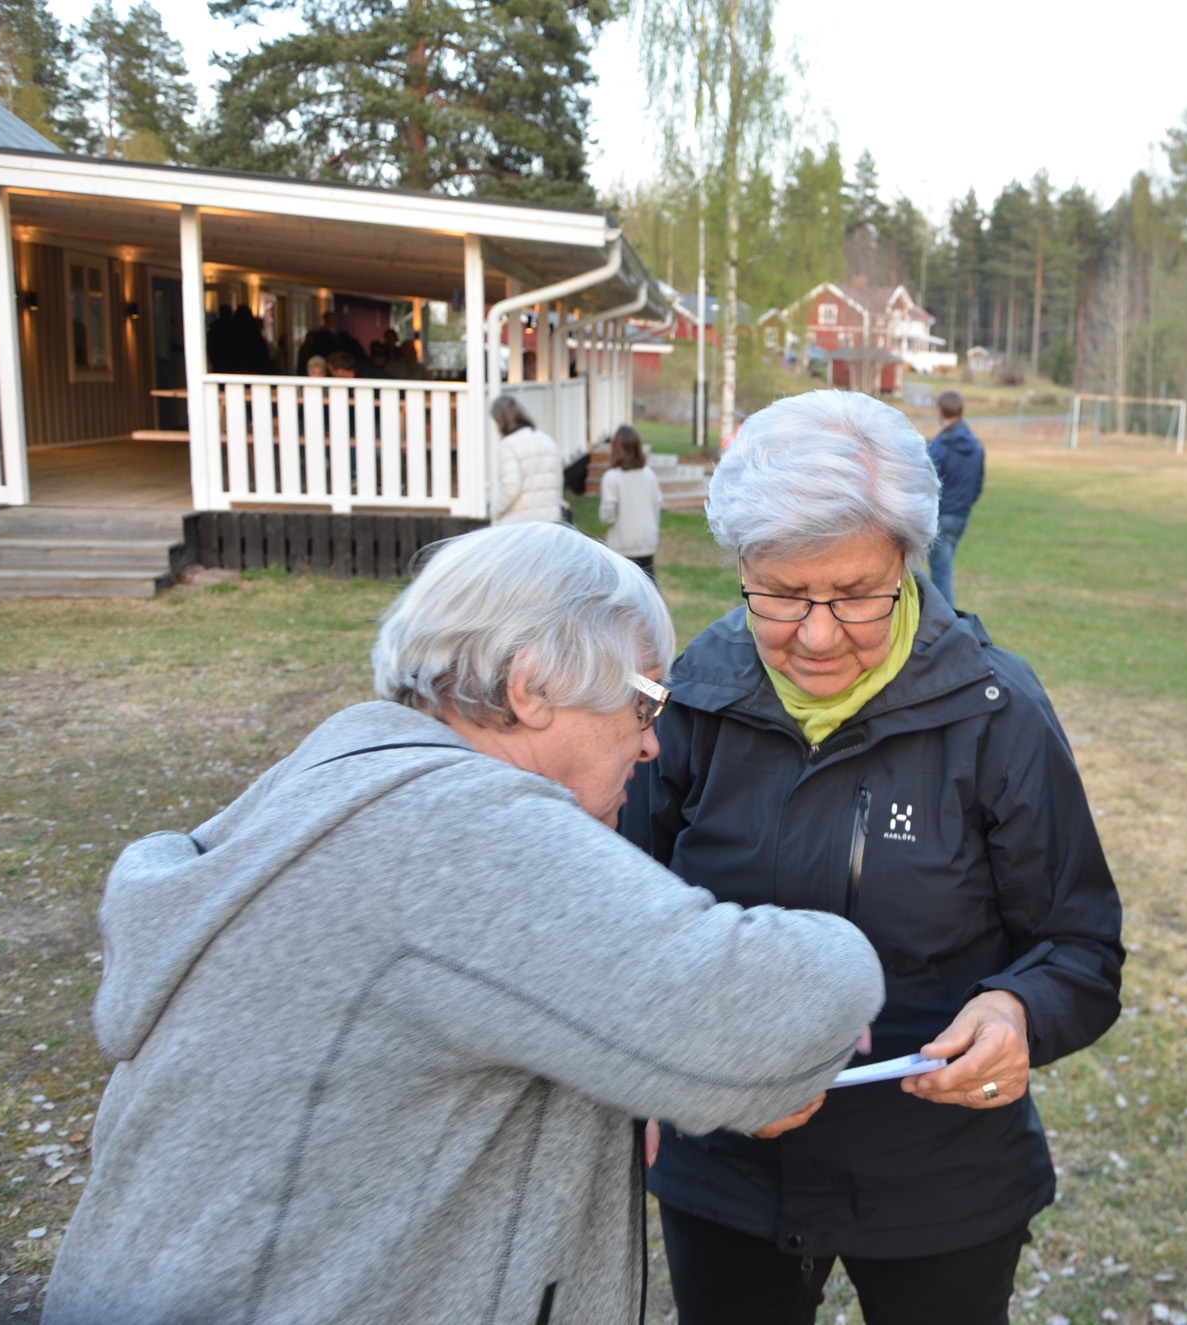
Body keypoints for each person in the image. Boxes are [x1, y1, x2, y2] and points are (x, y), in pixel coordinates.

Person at [44, 522, 885, 1324]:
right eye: (645, 702)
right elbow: (758, 1012)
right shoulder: (460, 828)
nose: (650, 745)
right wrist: (845, 956)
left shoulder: (333, 782)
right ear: (532, 685)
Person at [618, 389, 1124, 1325]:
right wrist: (675, 1067)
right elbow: (618, 923)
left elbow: (1081, 948)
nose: (815, 634)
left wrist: (1019, 1010)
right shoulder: (687, 698)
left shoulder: (995, 714)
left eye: (854, 595)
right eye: (778, 593)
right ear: (738, 565)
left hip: (941, 1176)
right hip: (729, 1166)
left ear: (908, 560)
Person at [926, 390, 984, 608]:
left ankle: (948, 628)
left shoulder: (939, 447)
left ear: (940, 411)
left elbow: (927, 485)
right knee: (943, 571)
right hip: (961, 518)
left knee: (941, 578)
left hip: (941, 518)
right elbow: (977, 485)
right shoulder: (976, 446)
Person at [599, 424, 664, 578]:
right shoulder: (649, 475)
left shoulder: (612, 478)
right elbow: (657, 504)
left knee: (624, 591)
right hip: (647, 541)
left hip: (623, 544)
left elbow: (608, 516)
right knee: (648, 589)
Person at [491, 395, 566, 525]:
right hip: (551, 523)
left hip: (521, 524)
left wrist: (495, 511)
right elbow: (558, 481)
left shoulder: (508, 445)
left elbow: (511, 487)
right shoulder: (547, 440)